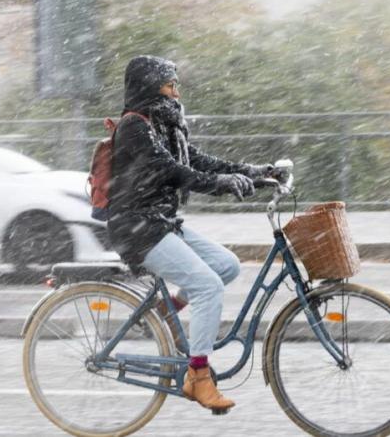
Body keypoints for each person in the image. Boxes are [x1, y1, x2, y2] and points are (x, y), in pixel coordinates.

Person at [107, 55, 272, 413]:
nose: (176, 92)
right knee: (207, 286)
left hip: (159, 220)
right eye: (170, 85)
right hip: (137, 227)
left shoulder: (164, 125)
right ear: (151, 86)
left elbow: (196, 160)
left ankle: (167, 310)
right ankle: (198, 377)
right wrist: (219, 185)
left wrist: (252, 172)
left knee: (226, 266)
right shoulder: (135, 127)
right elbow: (170, 170)